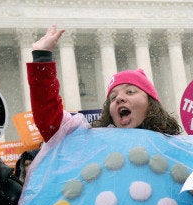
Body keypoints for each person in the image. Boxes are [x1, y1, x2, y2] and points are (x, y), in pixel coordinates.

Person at [27, 25, 181, 143]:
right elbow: (52, 122)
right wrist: (42, 57)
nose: (119, 98)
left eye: (130, 92)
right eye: (113, 97)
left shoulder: (176, 146)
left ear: (151, 103)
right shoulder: (95, 142)